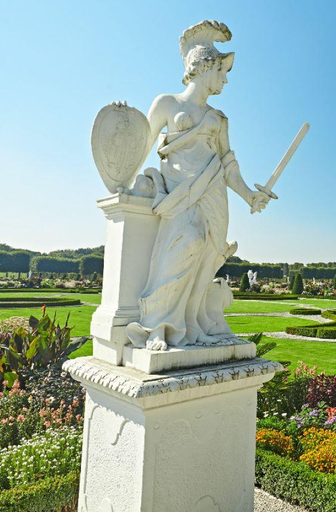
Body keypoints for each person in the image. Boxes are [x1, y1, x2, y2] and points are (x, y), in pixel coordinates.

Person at [126, 20, 270, 351]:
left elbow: (228, 165)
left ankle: (192, 325)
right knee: (182, 247)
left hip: (213, 195)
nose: (225, 78)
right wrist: (125, 181)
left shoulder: (218, 119)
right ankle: (157, 326)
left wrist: (249, 195)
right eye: (222, 70)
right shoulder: (167, 103)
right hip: (179, 193)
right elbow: (142, 146)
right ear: (204, 66)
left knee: (207, 257)